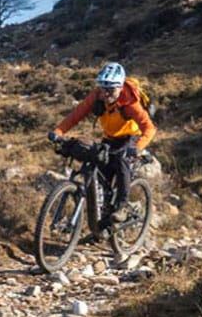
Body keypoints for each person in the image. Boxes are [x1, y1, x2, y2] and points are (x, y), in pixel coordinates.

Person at [49, 62, 157, 222]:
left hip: (130, 137)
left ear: (120, 87)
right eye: (103, 88)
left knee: (121, 162)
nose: (105, 93)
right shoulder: (97, 96)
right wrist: (59, 131)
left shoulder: (130, 103)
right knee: (101, 175)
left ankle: (122, 206)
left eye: (111, 89)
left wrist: (138, 147)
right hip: (110, 138)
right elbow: (77, 114)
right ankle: (102, 225)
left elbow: (149, 128)